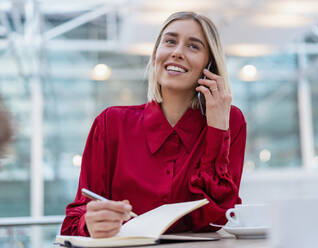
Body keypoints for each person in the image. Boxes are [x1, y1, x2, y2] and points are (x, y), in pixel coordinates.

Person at [61, 11, 246, 238]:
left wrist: (217, 129)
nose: (177, 52)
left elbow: (218, 217)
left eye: (193, 46)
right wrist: (89, 223)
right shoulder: (111, 123)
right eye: (170, 41)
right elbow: (73, 222)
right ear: (156, 53)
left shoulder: (229, 121)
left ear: (209, 65)